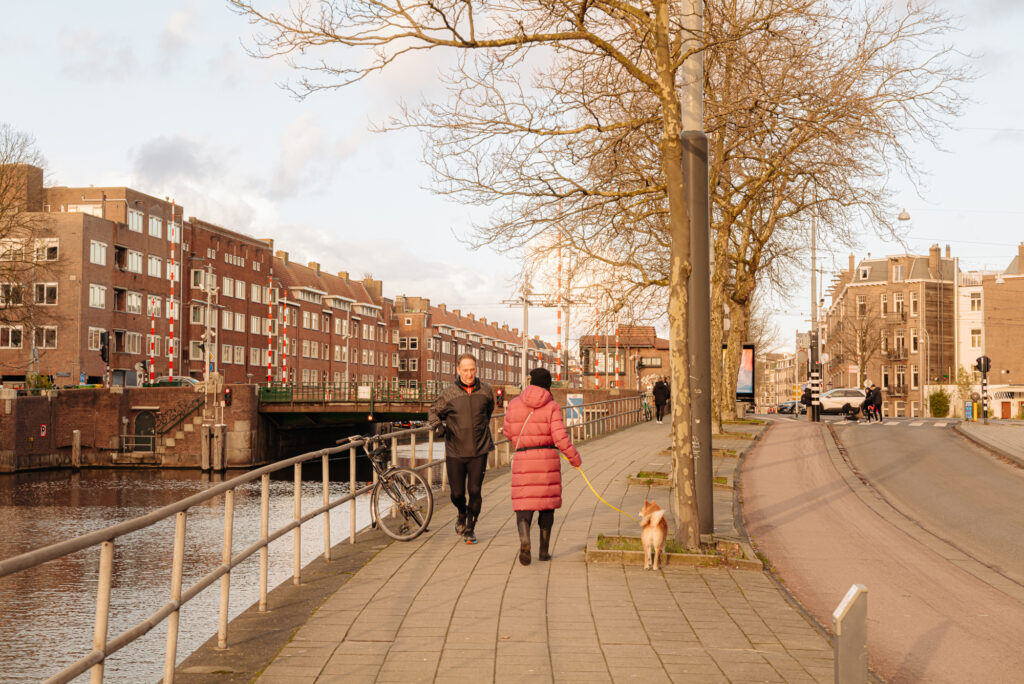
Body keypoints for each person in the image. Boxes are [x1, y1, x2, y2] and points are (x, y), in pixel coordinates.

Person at [501, 367, 582, 565]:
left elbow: (507, 432)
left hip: (523, 459)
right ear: (548, 385)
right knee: (546, 507)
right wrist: (574, 459)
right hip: (547, 461)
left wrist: (522, 443)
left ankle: (524, 538)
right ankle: (544, 552)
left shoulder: (514, 404)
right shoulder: (552, 406)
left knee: (524, 505)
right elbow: (560, 438)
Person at [428, 353, 496, 544]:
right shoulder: (449, 393)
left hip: (479, 449)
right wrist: (437, 426)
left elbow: (488, 411)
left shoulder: (486, 391)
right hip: (455, 450)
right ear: (458, 370)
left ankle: (470, 529)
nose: (469, 374)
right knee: (457, 494)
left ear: (476, 369)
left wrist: (479, 428)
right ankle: (462, 512)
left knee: (475, 490)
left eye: (472, 370)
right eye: (465, 370)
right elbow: (432, 412)